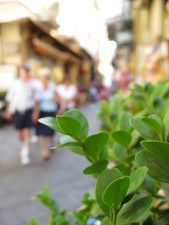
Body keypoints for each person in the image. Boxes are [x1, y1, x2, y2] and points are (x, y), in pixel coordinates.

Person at [5, 65, 40, 165]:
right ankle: (25, 145)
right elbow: (10, 99)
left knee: (27, 133)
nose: (24, 75)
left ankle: (25, 153)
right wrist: (8, 111)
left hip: (28, 111)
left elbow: (37, 101)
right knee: (19, 134)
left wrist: (36, 113)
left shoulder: (33, 85)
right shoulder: (15, 84)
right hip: (18, 111)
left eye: (26, 73)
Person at [37, 67, 59, 163]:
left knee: (50, 132)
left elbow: (58, 98)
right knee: (42, 133)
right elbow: (36, 101)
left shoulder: (52, 86)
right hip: (42, 112)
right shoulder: (38, 87)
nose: (44, 79)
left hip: (51, 111)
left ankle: (52, 144)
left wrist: (61, 108)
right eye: (42, 77)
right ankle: (44, 152)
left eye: (45, 77)